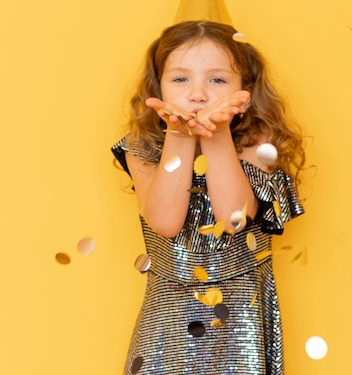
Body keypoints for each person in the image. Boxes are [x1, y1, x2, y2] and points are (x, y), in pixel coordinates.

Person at [112, 20, 306, 374]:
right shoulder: (141, 146)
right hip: (165, 326)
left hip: (239, 324)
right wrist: (181, 135)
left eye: (217, 80)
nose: (198, 94)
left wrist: (216, 136)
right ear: (158, 87)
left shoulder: (258, 145)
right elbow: (166, 222)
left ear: (245, 92)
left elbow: (234, 217)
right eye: (180, 79)